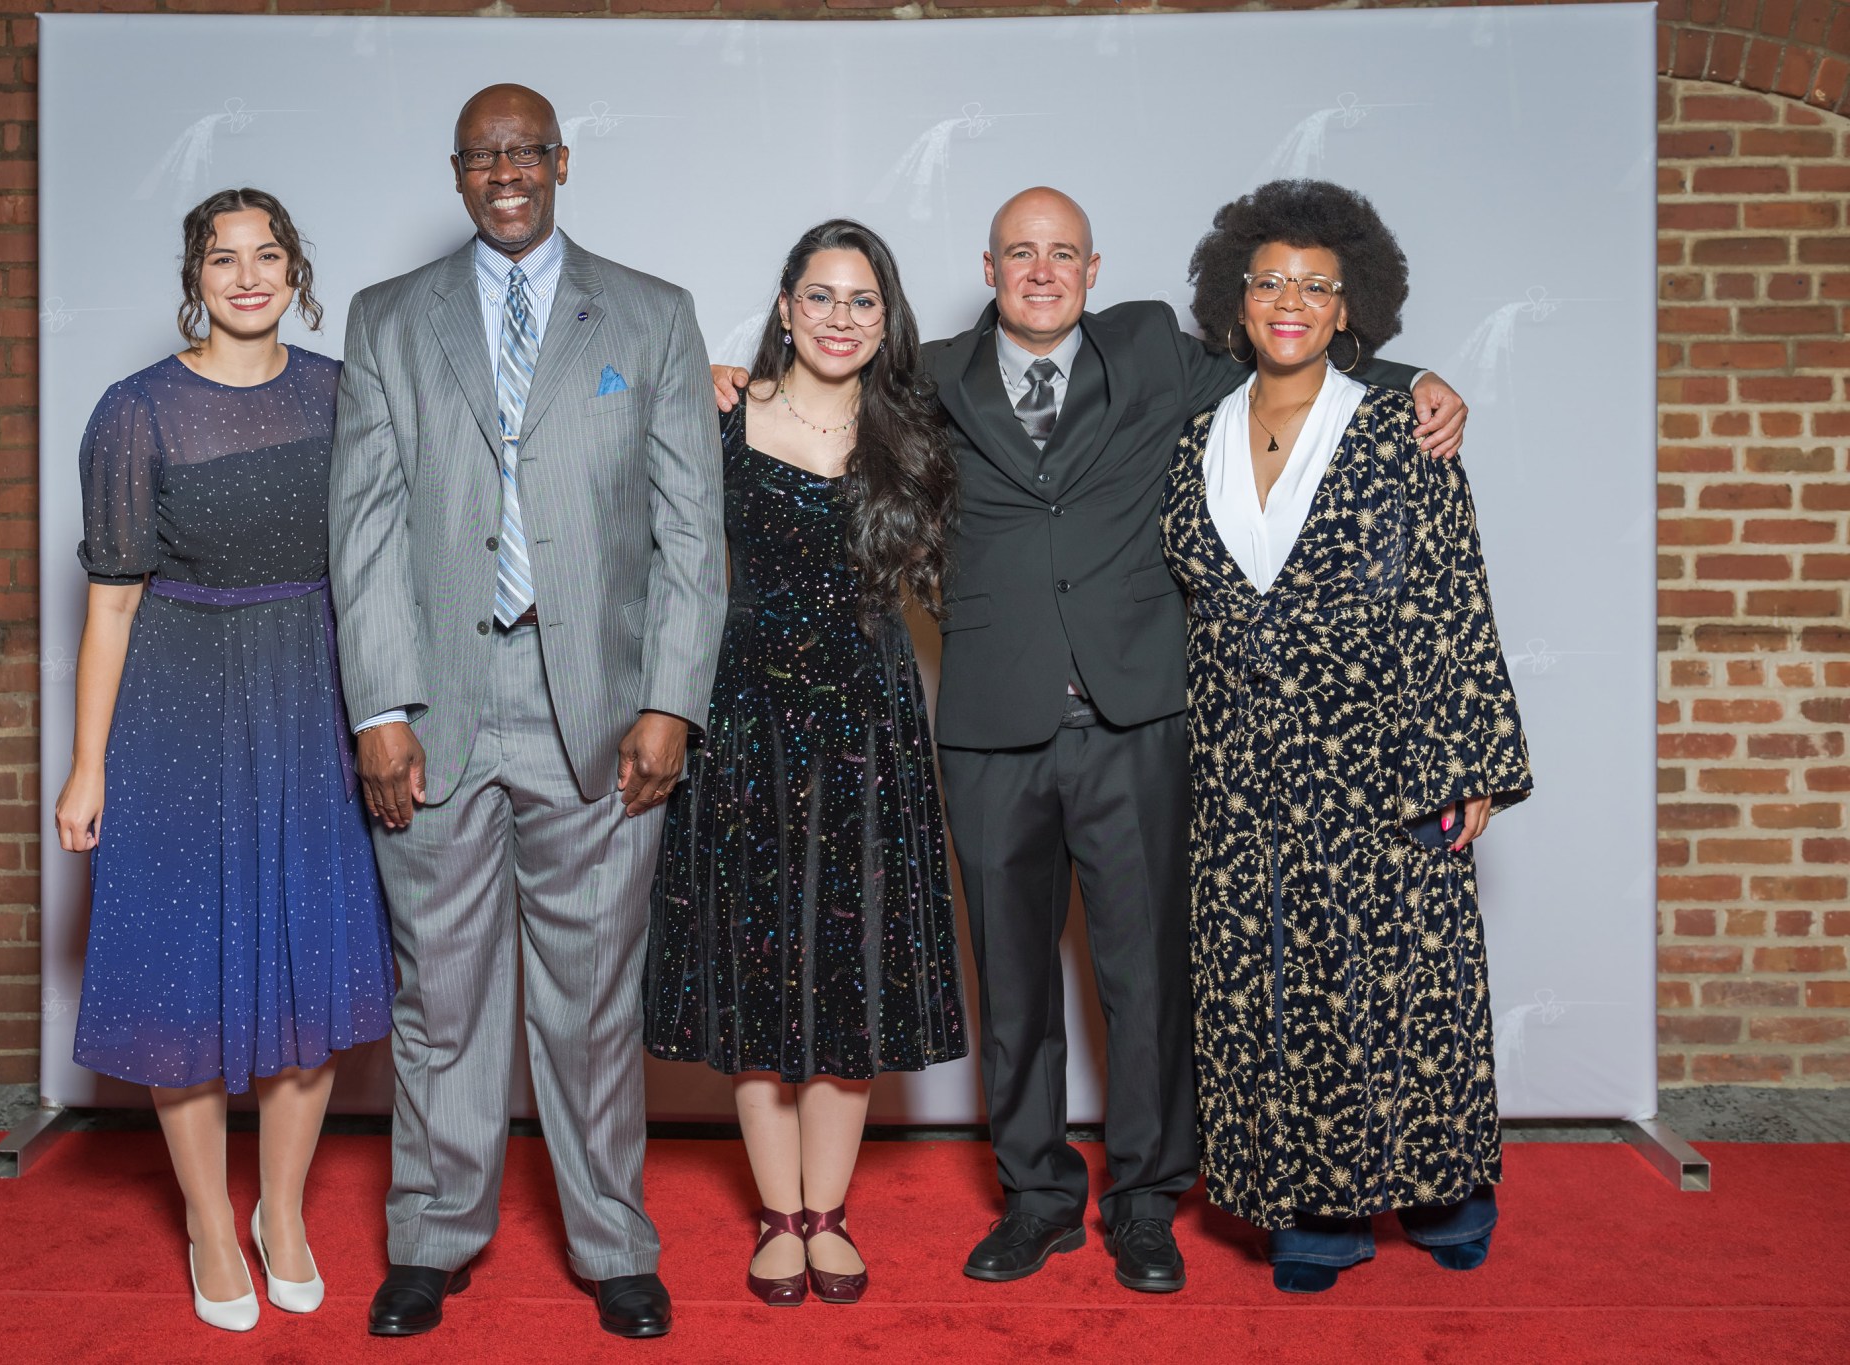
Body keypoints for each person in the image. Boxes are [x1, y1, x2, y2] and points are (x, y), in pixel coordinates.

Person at [717, 185, 1463, 1294]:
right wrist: (731, 379)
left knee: (1145, 982)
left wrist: (1415, 382)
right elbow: (818, 388)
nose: (1039, 270)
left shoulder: (1155, 351)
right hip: (987, 725)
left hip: (1136, 719)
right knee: (1012, 986)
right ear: (986, 268)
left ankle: (1146, 1201)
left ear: (1093, 268)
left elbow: (1286, 365)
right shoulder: (923, 382)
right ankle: (1035, 1199)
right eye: (1018, 252)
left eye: (1060, 253)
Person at [328, 84, 725, 1341]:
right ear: (458, 175)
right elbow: (367, 526)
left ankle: (612, 1241)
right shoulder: (389, 319)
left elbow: (686, 535)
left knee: (591, 997)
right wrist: (378, 706)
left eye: (525, 152)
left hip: (600, 712)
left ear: (561, 163)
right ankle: (431, 1238)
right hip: (439, 703)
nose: (506, 172)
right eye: (481, 156)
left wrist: (670, 701)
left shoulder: (652, 315)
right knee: (438, 999)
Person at [1163, 178, 1532, 1294]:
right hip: (1240, 767)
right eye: (1269, 281)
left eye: (1315, 287)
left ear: (1346, 309)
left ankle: (1442, 1188)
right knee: (1273, 986)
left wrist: (1464, 760)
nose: (1290, 302)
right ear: (1234, 301)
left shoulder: (1397, 423)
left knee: (1406, 977)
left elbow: (1451, 590)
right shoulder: (1192, 439)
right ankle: (1310, 1207)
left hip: (1379, 755)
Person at [56, 188, 393, 1332]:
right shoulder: (136, 413)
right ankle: (209, 1217)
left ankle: (281, 1212)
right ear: (193, 276)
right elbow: (108, 605)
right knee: (180, 971)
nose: (245, 277)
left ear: (296, 268)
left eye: (266, 256)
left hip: (313, 690)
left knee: (311, 963)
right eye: (221, 259)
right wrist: (86, 765)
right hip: (178, 701)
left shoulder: (347, 393)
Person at [643, 220, 965, 1307]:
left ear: (886, 319)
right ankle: (776, 1215)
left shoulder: (917, 429)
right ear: (783, 307)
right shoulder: (719, 413)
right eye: (818, 297)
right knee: (755, 968)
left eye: (860, 300)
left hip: (869, 730)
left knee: (852, 974)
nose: (838, 318)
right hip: (745, 724)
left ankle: (828, 1215)